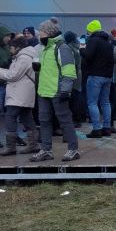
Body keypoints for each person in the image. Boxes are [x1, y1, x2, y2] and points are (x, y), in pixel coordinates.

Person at [29, 20, 80, 163]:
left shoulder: (61, 47)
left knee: (65, 121)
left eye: (42, 32)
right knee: (44, 121)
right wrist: (37, 68)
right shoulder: (45, 48)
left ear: (50, 33)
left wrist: (65, 90)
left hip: (57, 91)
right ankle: (46, 150)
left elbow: (69, 70)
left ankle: (73, 149)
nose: (40, 35)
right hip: (44, 91)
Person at [0, 35, 39, 156]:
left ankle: (11, 147)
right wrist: (0, 71)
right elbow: (15, 74)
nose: (10, 50)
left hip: (18, 94)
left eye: (11, 48)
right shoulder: (28, 56)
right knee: (27, 117)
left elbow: (13, 76)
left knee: (10, 117)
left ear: (18, 47)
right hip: (24, 92)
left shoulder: (23, 58)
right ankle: (33, 145)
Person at [83, 19, 115, 138]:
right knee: (105, 102)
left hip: (95, 75)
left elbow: (88, 56)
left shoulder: (93, 40)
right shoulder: (108, 42)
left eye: (88, 31)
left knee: (92, 103)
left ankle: (96, 129)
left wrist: (82, 50)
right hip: (107, 76)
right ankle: (107, 128)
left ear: (91, 30)